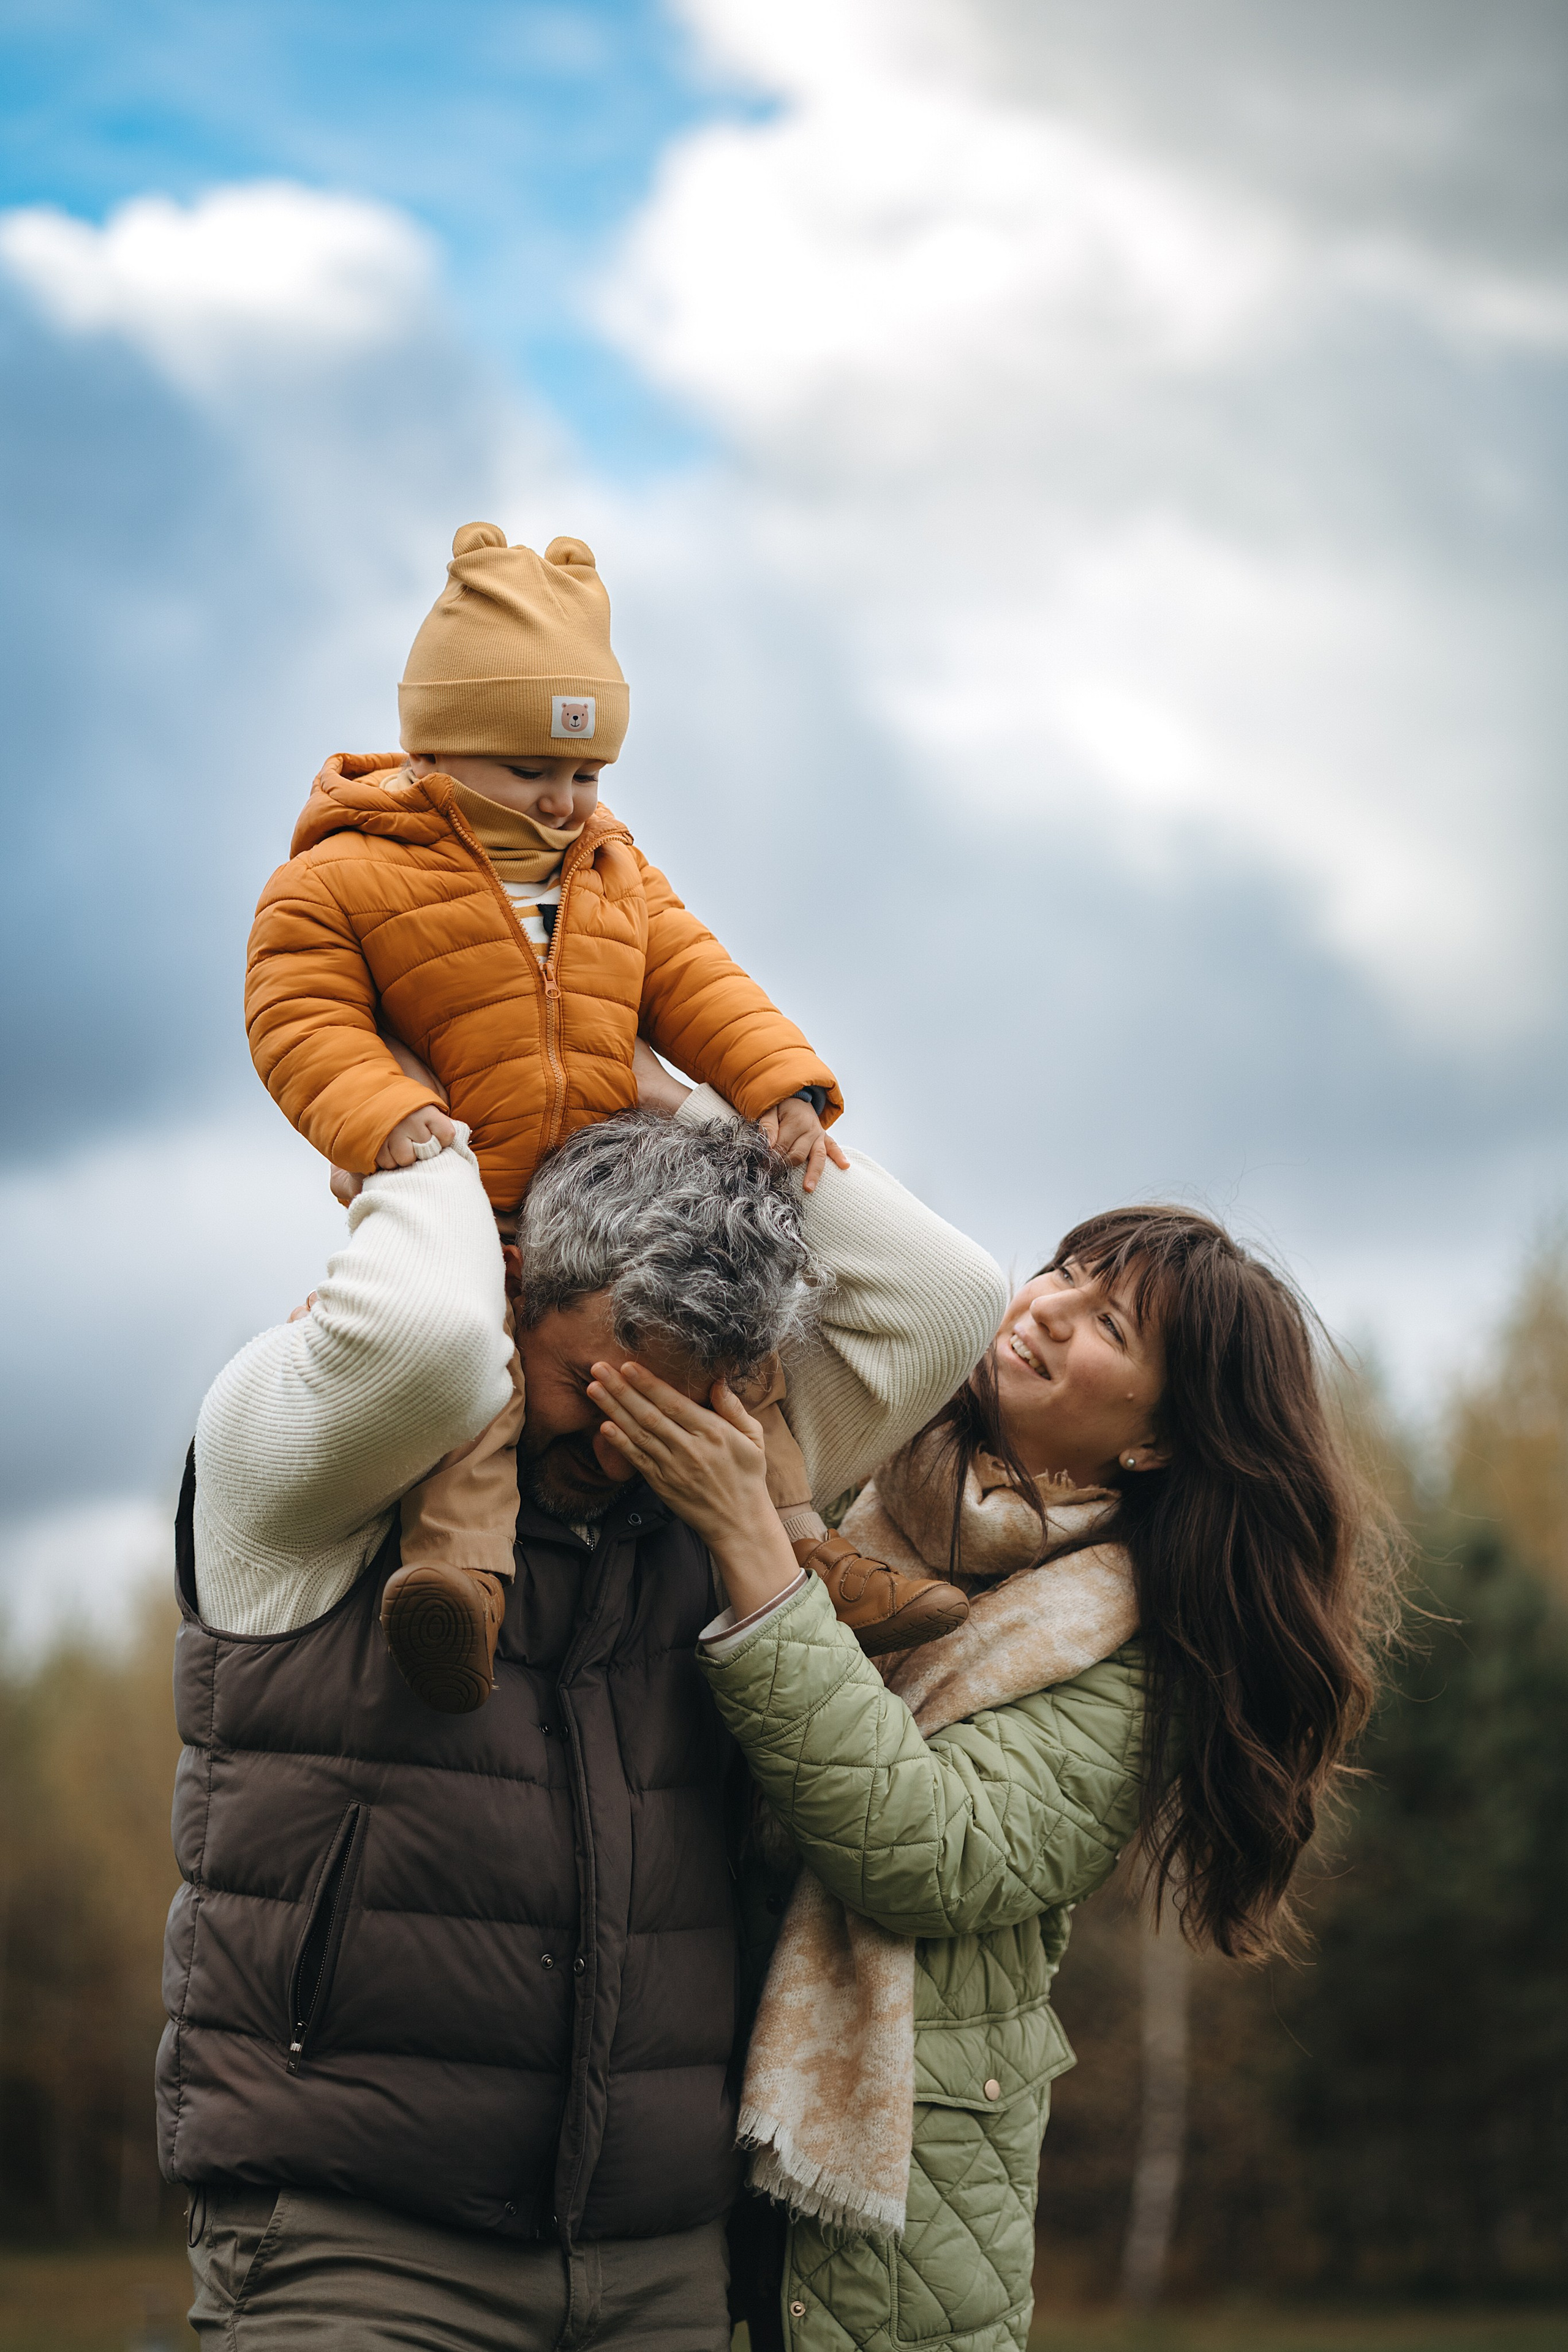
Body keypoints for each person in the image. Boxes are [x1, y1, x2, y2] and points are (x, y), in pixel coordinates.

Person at [160, 1080, 1009, 2349]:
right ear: (510, 1286)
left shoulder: (707, 1492)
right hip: (356, 2249)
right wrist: (437, 1154)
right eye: (593, 1387)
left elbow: (945, 1298)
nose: (624, 1448)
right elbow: (427, 1338)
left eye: (674, 1408)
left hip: (658, 2264)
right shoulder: (316, 1468)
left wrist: (675, 1098)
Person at [582, 1203, 1396, 2352]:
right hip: (663, 2117)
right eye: (1063, 1271)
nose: (1048, 1308)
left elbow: (924, 1849)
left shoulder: (1129, 1652)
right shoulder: (868, 1460)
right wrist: (728, 1092)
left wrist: (759, 1553)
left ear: (1154, 1442)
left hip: (890, 2244)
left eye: (1107, 1320)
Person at [243, 521, 963, 1709]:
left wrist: (775, 1083)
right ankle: (458, 1584)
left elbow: (696, 978)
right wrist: (382, 1119)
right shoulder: (342, 877)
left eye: (586, 776)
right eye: (535, 772)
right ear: (440, 747)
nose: (568, 801)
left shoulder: (612, 869)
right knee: (476, 1379)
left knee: (734, 1353)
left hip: (611, 1199)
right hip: (468, 1198)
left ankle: (807, 1548)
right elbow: (296, 1016)